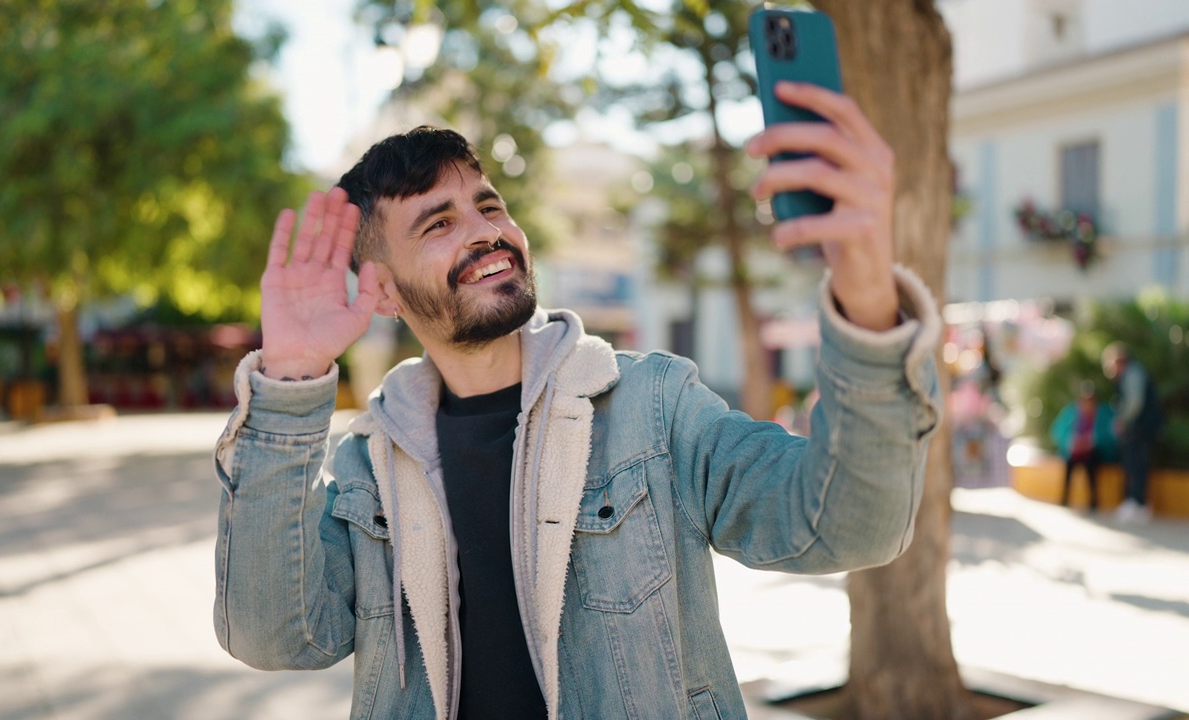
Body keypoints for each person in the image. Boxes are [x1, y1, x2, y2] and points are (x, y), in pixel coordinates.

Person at [212, 82, 942, 719]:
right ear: (383, 293)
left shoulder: (656, 409)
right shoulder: (366, 471)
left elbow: (850, 528)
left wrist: (870, 301)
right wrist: (291, 381)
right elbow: (274, 635)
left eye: (489, 206)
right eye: (439, 224)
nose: (487, 232)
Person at [1102, 342, 1163, 524]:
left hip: (1141, 428)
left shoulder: (1133, 373)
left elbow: (1135, 402)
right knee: (1135, 463)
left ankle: (1138, 503)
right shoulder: (1131, 373)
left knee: (1136, 464)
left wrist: (1123, 420)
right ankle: (1136, 503)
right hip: (1140, 428)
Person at [1049, 381, 1117, 510]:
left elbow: (1112, 433)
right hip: (1074, 452)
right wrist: (1071, 442)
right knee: (1069, 466)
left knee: (1090, 466)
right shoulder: (1071, 412)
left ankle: (1093, 501)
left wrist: (1092, 441)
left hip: (1094, 452)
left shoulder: (1104, 413)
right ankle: (1065, 499)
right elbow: (1057, 431)